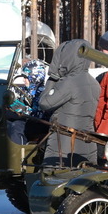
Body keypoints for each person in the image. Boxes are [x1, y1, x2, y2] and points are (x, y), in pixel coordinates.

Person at [37, 39, 100, 168]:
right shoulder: (94, 83)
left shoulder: (69, 82)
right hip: (86, 142)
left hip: (64, 145)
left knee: (53, 183)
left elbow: (44, 103)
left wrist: (52, 78)